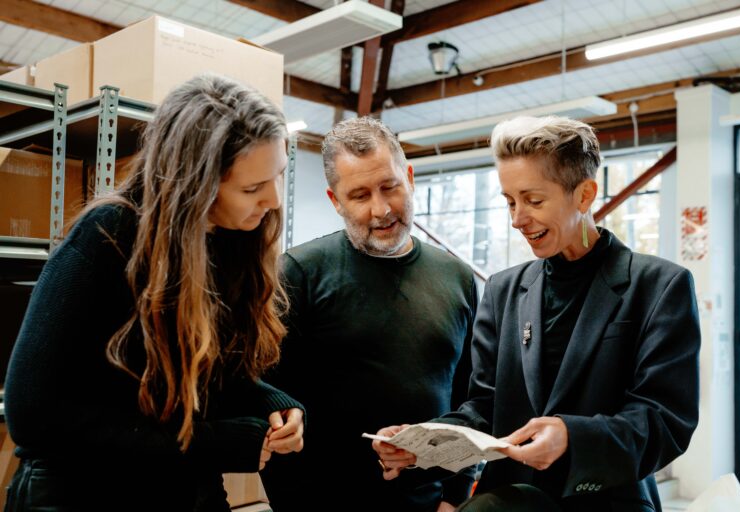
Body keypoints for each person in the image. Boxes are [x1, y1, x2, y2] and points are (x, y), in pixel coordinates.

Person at [3, 74, 305, 511]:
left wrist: (269, 402)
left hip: (183, 488)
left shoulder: (232, 239)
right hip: (84, 493)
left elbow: (205, 372)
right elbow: (33, 416)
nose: (274, 200)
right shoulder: (106, 237)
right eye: (252, 188)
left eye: (277, 175)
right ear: (195, 185)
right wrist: (213, 442)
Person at [373, 115, 701, 512]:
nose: (517, 219)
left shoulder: (659, 287)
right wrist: (425, 444)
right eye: (510, 201)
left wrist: (571, 437)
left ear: (584, 195)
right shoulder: (503, 290)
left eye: (533, 200)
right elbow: (484, 408)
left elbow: (664, 420)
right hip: (508, 499)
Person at [260, 117, 477, 511]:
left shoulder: (458, 278)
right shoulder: (298, 274)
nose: (381, 209)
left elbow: (471, 398)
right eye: (359, 195)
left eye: (390, 187)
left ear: (409, 177)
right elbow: (272, 405)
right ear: (335, 200)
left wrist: (455, 494)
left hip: (429, 503)